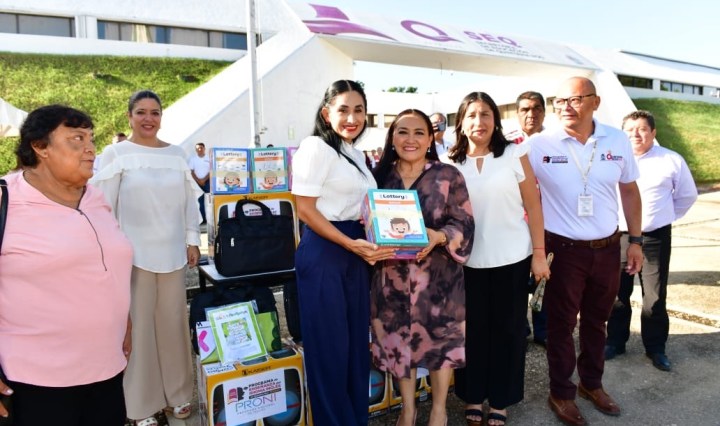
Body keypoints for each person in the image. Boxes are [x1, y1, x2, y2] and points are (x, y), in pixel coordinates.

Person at [0, 105, 133, 425]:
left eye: (91, 138)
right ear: (40, 147)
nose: (90, 148)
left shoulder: (96, 198)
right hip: (36, 381)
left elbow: (105, 267)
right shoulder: (6, 199)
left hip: (106, 370)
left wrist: (124, 320)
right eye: (76, 139)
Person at [527, 77, 643, 426]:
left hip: (607, 248)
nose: (565, 106)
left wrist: (635, 241)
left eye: (575, 99)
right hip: (562, 250)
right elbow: (515, 189)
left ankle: (591, 383)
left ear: (595, 101)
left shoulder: (616, 139)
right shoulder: (539, 144)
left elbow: (629, 191)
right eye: (560, 100)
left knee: (597, 321)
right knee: (561, 325)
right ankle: (561, 392)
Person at [92, 90, 201, 426]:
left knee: (173, 326)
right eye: (141, 112)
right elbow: (104, 208)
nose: (148, 118)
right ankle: (141, 405)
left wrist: (192, 240)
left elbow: (189, 203)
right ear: (129, 116)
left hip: (173, 256)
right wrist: (110, 253)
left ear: (161, 117)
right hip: (132, 258)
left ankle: (179, 395)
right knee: (137, 330)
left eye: (155, 112)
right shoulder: (115, 154)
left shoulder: (177, 154)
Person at [290, 80, 395, 425]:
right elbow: (306, 210)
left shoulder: (354, 153)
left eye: (359, 110)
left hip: (356, 250)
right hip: (326, 251)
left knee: (354, 349)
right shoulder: (316, 147)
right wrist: (350, 244)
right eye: (343, 110)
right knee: (330, 351)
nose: (352, 118)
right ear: (326, 113)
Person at [447, 92, 549, 426]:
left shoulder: (514, 154)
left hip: (512, 258)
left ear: (496, 120)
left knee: (508, 332)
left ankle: (501, 400)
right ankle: (473, 395)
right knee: (472, 333)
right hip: (466, 262)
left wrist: (538, 254)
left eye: (486, 114)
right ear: (461, 122)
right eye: (472, 115)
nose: (479, 122)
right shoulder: (450, 162)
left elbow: (533, 206)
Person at [371, 109, 475, 426]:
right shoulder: (378, 176)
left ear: (431, 138)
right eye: (403, 131)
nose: (411, 139)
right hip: (391, 277)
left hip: (438, 279)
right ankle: (408, 409)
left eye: (419, 132)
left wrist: (440, 236)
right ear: (392, 137)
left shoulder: (448, 175)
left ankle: (439, 409)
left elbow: (465, 222)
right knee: (399, 344)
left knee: (440, 342)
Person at [605, 110, 698, 372]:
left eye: (642, 129)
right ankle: (615, 341)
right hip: (619, 235)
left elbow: (687, 196)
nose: (636, 134)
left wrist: (664, 217)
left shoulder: (670, 160)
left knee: (654, 295)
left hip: (655, 237)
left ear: (653, 133)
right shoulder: (612, 159)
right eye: (630, 129)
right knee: (617, 292)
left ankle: (655, 347)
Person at [505, 91, 549, 347]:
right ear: (517, 113)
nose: (531, 114)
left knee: (544, 277)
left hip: (548, 222)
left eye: (536, 108)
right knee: (517, 280)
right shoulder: (507, 143)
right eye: (525, 109)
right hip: (516, 223)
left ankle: (543, 329)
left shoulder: (554, 142)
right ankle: (520, 327)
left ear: (544, 111)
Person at [188, 142, 210, 224]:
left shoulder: (209, 158)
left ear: (204, 148)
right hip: (197, 183)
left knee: (210, 201)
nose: (199, 149)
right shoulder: (193, 159)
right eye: (198, 148)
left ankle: (211, 219)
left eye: (201, 148)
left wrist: (204, 180)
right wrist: (198, 181)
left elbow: (212, 171)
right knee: (200, 201)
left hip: (208, 182)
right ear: (196, 150)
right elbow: (191, 171)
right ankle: (203, 220)